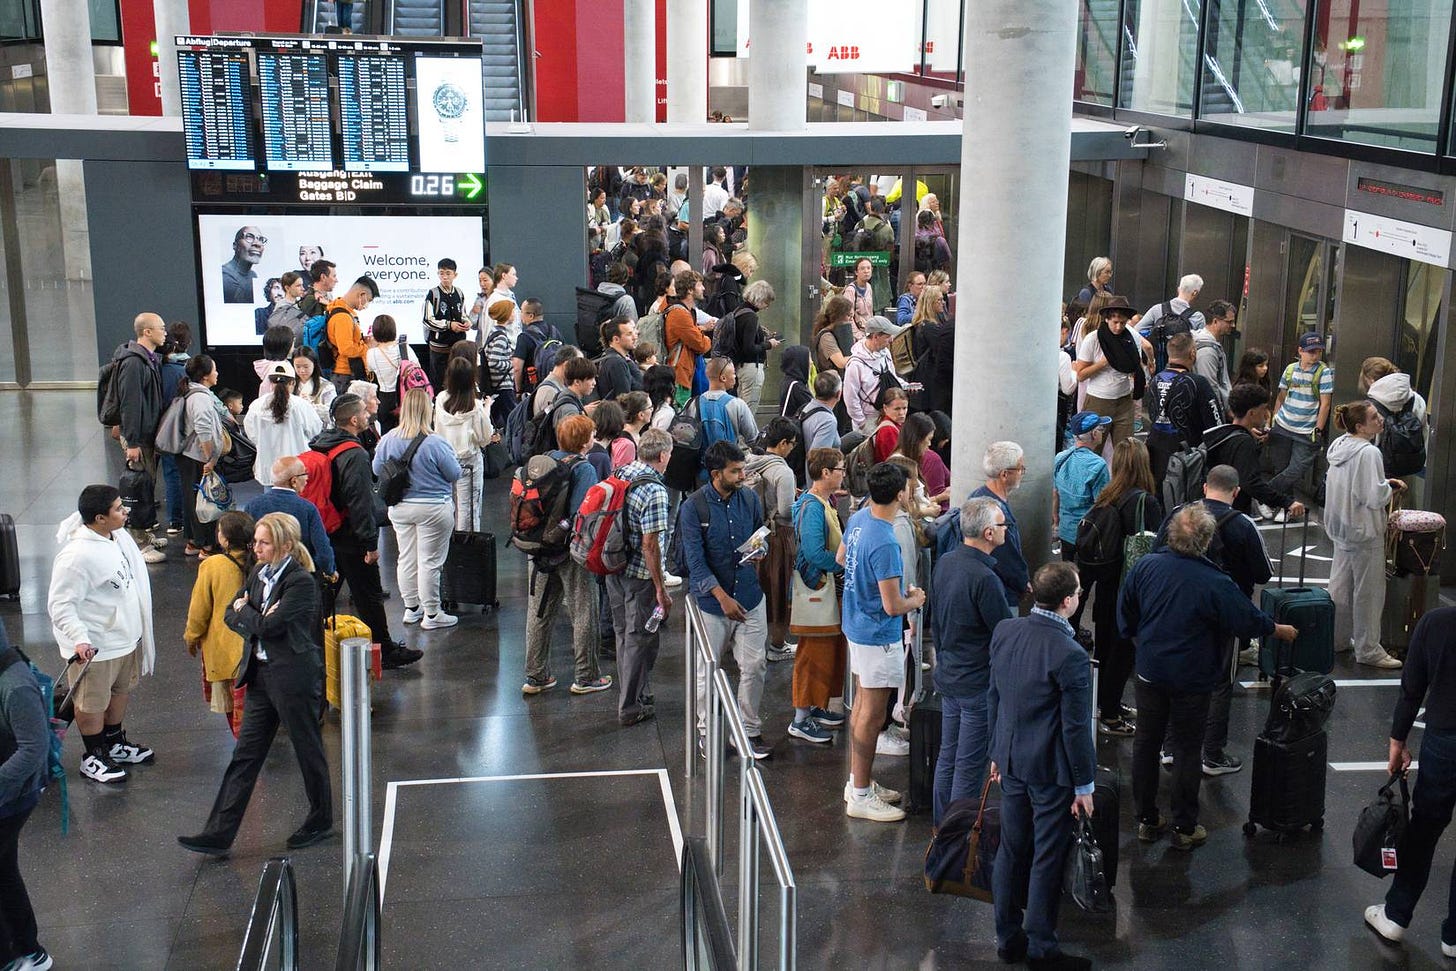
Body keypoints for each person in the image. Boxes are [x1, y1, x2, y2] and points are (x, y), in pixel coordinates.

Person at [1120, 505, 1295, 850]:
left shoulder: (1145, 567)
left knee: (1146, 743)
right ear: (1206, 540)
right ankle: (1185, 824)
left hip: (1150, 669)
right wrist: (1279, 629)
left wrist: (1141, 642)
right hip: (1193, 676)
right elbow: (1246, 620)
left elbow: (1126, 614)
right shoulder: (1214, 581)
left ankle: (1146, 818)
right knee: (1187, 749)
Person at [178, 512, 333, 857]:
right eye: (256, 542)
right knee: (244, 756)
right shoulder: (258, 573)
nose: (256, 548)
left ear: (285, 546)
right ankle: (218, 832)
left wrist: (249, 612)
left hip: (293, 680)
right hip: (261, 678)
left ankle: (321, 819)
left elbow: (268, 628)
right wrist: (253, 613)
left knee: (308, 750)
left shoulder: (301, 582)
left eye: (263, 543)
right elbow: (229, 616)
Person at [985, 561, 1095, 971]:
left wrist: (997, 752)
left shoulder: (1006, 631)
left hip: (1011, 762)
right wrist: (1084, 786)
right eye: (1080, 592)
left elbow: (994, 696)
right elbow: (1075, 729)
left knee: (1011, 850)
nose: (1080, 597)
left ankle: (1006, 935)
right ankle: (1041, 947)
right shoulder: (1070, 654)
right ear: (1067, 602)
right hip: (1050, 772)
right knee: (1046, 855)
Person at [1151, 465, 1272, 774]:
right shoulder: (1243, 523)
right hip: (1225, 617)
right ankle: (1212, 753)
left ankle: (1168, 747)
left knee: (1174, 678)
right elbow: (1263, 573)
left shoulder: (1181, 514)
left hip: (1175, 606)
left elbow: (1155, 550)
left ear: (1204, 487)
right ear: (1236, 491)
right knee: (1220, 683)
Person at [48, 485, 156, 784]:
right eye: (119, 508)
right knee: (91, 703)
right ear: (99, 518)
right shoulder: (76, 556)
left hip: (125, 639)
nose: (126, 511)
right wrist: (80, 638)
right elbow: (60, 605)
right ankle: (94, 755)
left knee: (120, 692)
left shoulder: (115, 537)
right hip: (96, 647)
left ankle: (114, 742)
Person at [1365, 607, 1456, 950]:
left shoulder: (1437, 623)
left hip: (1445, 738)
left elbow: (1411, 689)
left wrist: (1397, 741)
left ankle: (1396, 915)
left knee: (1425, 829)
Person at [840, 462, 926, 821]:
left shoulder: (859, 519)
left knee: (861, 707)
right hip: (878, 634)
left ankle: (857, 782)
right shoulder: (887, 541)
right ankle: (860, 794)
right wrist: (915, 599)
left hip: (856, 625)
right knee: (871, 716)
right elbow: (893, 605)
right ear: (901, 493)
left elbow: (842, 558)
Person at [309, 395, 419, 669]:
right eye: (364, 412)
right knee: (368, 594)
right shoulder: (354, 454)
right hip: (352, 535)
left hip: (329, 530)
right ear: (354, 420)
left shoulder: (323, 443)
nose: (369, 415)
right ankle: (384, 650)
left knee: (326, 592)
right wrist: (370, 543)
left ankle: (307, 643)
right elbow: (360, 501)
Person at [682, 441, 772, 760]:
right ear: (716, 473)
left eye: (743, 469)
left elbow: (759, 533)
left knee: (755, 665)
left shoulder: (748, 498)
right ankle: (707, 732)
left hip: (749, 596)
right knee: (708, 670)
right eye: (736, 471)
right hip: (711, 605)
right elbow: (695, 562)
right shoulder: (693, 507)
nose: (743, 475)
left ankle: (748, 729)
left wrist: (761, 550)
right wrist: (721, 598)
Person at [932, 497, 1015, 825]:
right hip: (976, 685)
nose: (1006, 528)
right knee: (968, 768)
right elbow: (1002, 635)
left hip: (950, 675)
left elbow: (936, 621)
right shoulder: (985, 579)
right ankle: (958, 842)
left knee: (947, 758)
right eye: (1002, 524)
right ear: (988, 533)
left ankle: (941, 831)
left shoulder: (946, 562)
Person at [521, 414, 612, 697]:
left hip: (538, 549)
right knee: (584, 611)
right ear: (584, 442)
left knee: (538, 612)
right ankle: (586, 676)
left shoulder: (543, 461)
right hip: (569, 552)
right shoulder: (583, 469)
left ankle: (536, 676)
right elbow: (581, 514)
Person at [1082, 439, 1163, 735]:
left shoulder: (1108, 495)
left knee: (1105, 649)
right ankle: (1111, 715)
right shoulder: (1145, 501)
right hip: (1129, 588)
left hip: (1105, 584)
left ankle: (1105, 702)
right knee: (1122, 653)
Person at [1325, 399, 1406, 669]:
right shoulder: (1369, 453)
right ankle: (1368, 648)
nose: (1380, 419)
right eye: (1373, 418)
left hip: (1340, 528)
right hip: (1364, 531)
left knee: (1340, 588)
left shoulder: (1338, 447)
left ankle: (1335, 639)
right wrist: (1389, 489)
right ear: (1360, 426)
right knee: (1369, 593)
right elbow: (1373, 495)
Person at [373, 389, 462, 632]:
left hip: (400, 507)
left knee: (406, 558)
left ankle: (412, 609)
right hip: (433, 508)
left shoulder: (389, 438)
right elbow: (455, 474)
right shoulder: (436, 442)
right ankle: (432, 613)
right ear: (427, 410)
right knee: (430, 562)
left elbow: (376, 467)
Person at [603, 427, 674, 724]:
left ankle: (636, 691)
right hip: (639, 576)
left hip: (613, 565)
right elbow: (650, 544)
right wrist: (660, 587)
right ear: (662, 455)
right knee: (639, 637)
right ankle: (630, 706)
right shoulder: (655, 490)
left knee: (624, 634)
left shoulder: (621, 473)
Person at [786, 447, 849, 744]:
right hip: (816, 588)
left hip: (827, 587)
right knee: (812, 653)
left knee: (827, 651)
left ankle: (816, 706)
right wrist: (842, 563)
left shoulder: (824, 501)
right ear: (825, 473)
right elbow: (812, 552)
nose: (843, 473)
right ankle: (800, 718)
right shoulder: (813, 506)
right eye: (840, 469)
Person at [0, 623, 50, 971]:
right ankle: (28, 950)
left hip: (12, 798)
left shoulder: (15, 685)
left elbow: (34, 749)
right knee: (4, 871)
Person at [183, 510, 254, 735]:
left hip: (226, 652)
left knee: (234, 715)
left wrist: (191, 637)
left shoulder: (213, 566)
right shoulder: (260, 562)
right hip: (257, 651)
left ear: (224, 538)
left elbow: (199, 610)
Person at [109, 312, 169, 563]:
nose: (164, 332)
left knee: (147, 484)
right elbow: (130, 404)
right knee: (138, 488)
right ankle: (138, 542)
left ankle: (144, 532)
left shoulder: (147, 359)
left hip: (146, 435)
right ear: (147, 332)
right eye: (161, 328)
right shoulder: (134, 362)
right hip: (138, 437)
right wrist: (132, 442)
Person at [1201, 383, 1305, 524]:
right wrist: (1286, 502)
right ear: (1251, 413)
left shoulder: (1221, 433)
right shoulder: (1244, 442)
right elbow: (1251, 483)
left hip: (1212, 507)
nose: (1266, 413)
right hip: (1231, 513)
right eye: (1263, 409)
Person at [746, 418, 800, 662]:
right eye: (792, 444)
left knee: (757, 585)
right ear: (783, 443)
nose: (792, 449)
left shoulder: (751, 463)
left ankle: (750, 640)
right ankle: (777, 645)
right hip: (778, 535)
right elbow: (787, 511)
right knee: (779, 590)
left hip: (756, 534)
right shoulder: (783, 471)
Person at [1052, 411, 1111, 630]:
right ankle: (1073, 629)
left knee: (1068, 582)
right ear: (1094, 434)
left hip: (1066, 532)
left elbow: (1055, 494)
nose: (1103, 433)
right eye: (1101, 429)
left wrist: (1056, 519)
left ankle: (1067, 625)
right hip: (1087, 537)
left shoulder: (1061, 458)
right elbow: (1101, 506)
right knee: (1082, 588)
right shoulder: (1098, 466)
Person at [1145, 332, 1224, 488]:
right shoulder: (1198, 383)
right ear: (1193, 353)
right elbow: (1216, 426)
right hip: (1187, 459)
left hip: (1156, 452)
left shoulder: (1155, 380)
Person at [1074, 295, 1149, 448]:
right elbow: (1081, 375)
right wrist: (1102, 363)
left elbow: (1136, 363)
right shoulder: (1093, 339)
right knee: (1092, 449)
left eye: (1123, 323)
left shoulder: (1131, 337)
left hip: (1124, 400)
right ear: (1107, 319)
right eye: (1115, 322)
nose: (1118, 327)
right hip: (1098, 399)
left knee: (1126, 451)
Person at [1267, 332, 1334, 505]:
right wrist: (1274, 418)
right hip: (1283, 425)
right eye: (1311, 351)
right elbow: (1281, 397)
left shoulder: (1323, 372)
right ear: (1300, 351)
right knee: (1281, 468)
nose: (1315, 355)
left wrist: (1318, 429)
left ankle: (1263, 495)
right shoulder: (1291, 369)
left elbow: (1325, 404)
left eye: (1318, 351)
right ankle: (1285, 505)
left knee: (1295, 470)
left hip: (1306, 430)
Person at [244, 456, 336, 579]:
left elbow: (247, 543)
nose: (307, 478)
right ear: (294, 481)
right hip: (300, 576)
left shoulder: (252, 505)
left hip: (263, 574)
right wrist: (329, 570)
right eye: (304, 474)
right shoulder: (308, 508)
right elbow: (322, 550)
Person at [175, 355, 227, 557]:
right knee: (205, 501)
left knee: (192, 499)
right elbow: (204, 430)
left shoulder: (190, 393)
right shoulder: (201, 398)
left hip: (190, 457)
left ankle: (194, 541)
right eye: (214, 370)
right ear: (205, 376)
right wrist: (210, 459)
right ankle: (206, 545)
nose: (217, 373)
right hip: (199, 458)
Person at [434, 357, 494, 532]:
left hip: (445, 460)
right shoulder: (474, 406)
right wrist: (487, 409)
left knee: (448, 505)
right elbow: (485, 438)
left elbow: (437, 429)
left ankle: (451, 546)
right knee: (468, 508)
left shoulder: (440, 400)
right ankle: (468, 550)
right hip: (470, 462)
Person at [971, 442, 1031, 610]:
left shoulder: (977, 496)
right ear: (1005, 474)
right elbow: (1007, 558)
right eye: (1020, 468)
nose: (1022, 473)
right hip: (1001, 594)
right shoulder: (995, 512)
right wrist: (1023, 582)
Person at [244, 361, 322, 488]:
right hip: (296, 470)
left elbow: (252, 435)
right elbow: (315, 431)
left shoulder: (256, 406)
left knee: (272, 505)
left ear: (270, 382)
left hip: (269, 468)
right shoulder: (301, 405)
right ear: (292, 382)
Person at [843, 316, 907, 432]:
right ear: (876, 337)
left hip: (889, 416)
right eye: (887, 336)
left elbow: (892, 377)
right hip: (869, 421)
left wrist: (906, 386)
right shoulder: (855, 364)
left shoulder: (885, 353)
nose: (891, 339)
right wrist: (862, 423)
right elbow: (850, 398)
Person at [727, 280, 781, 412]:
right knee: (749, 409)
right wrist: (769, 344)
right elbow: (749, 348)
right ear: (760, 299)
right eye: (766, 303)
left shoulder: (738, 311)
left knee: (741, 407)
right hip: (751, 367)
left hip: (739, 365)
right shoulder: (751, 317)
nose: (766, 307)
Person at [364, 314, 421, 433]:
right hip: (405, 396)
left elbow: (369, 369)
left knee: (386, 432)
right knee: (407, 431)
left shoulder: (372, 353)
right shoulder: (405, 348)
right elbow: (417, 367)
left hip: (384, 398)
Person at [324, 277, 380, 391]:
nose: (367, 305)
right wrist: (367, 347)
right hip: (345, 375)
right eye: (368, 300)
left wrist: (362, 340)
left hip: (349, 371)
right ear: (362, 295)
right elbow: (346, 349)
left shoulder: (345, 312)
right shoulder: (343, 317)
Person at [665, 269, 712, 397]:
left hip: (686, 373)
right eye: (699, 285)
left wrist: (699, 331)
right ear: (690, 290)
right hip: (680, 376)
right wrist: (705, 337)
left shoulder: (687, 312)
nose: (703, 288)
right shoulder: (680, 314)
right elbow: (701, 345)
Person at [698, 358, 760, 447]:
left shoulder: (692, 403)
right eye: (734, 373)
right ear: (723, 378)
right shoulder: (737, 404)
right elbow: (753, 439)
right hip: (729, 459)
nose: (735, 376)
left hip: (699, 460)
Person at [1192, 299, 1239, 413]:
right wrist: (1219, 412)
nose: (1233, 325)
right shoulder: (1207, 350)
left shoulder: (1210, 345)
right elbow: (1209, 385)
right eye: (1229, 321)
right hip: (1210, 411)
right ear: (1215, 321)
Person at [895, 412, 949, 510]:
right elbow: (909, 507)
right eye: (928, 439)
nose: (929, 444)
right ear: (917, 439)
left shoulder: (898, 457)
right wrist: (939, 498)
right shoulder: (930, 458)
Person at [596, 316, 643, 403]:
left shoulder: (613, 358)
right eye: (629, 334)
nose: (635, 337)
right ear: (616, 339)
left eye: (634, 332)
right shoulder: (617, 363)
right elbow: (624, 399)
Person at [291, 346, 336, 426]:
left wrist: (308, 406)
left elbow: (331, 413)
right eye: (298, 366)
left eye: (306, 366)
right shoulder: (290, 384)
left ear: (314, 364)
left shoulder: (326, 386)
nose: (302, 370)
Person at [221, 225, 265, 303]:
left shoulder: (253, 275)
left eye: (261, 239)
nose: (257, 244)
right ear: (235, 246)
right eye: (249, 237)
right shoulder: (225, 276)